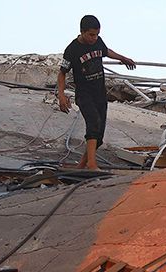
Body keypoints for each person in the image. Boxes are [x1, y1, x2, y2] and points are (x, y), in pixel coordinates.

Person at [56, 14, 136, 171]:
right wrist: (61, 95)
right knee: (93, 123)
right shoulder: (72, 50)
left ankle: (82, 165)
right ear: (82, 31)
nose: (94, 38)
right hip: (84, 94)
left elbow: (105, 51)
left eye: (97, 34)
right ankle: (92, 165)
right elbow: (62, 73)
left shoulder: (98, 42)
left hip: (100, 93)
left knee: (98, 135)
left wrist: (122, 58)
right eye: (91, 35)